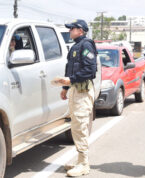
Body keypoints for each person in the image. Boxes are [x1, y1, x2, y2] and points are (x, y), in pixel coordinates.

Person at [58, 19, 97, 177]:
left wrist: (71, 81)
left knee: (80, 127)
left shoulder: (86, 45)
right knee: (76, 126)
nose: (69, 31)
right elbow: (70, 69)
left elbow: (90, 70)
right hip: (75, 90)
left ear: (80, 30)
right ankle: (80, 160)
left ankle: (83, 164)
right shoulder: (75, 46)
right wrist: (66, 87)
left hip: (82, 92)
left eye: (72, 29)